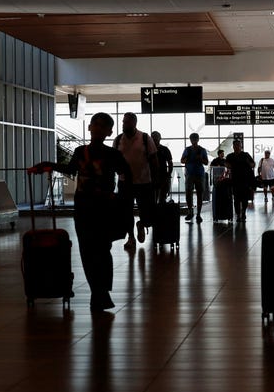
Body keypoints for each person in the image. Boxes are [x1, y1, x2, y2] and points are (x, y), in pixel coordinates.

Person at [31, 112, 133, 312]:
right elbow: (70, 169)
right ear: (90, 128)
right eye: (96, 124)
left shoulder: (112, 154)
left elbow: (126, 175)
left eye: (102, 126)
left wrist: (119, 198)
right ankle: (99, 291)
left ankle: (101, 291)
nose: (98, 128)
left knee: (101, 250)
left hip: (102, 209)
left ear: (109, 132)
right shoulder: (80, 152)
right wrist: (48, 165)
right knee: (87, 250)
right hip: (84, 208)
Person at [114, 112, 158, 249]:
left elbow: (154, 160)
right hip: (125, 183)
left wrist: (156, 181)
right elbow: (113, 159)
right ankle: (131, 237)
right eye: (123, 122)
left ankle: (142, 224)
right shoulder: (118, 139)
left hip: (144, 182)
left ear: (134, 123)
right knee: (126, 212)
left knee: (147, 214)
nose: (123, 124)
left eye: (126, 122)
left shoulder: (145, 138)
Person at [181, 132, 209, 223]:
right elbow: (182, 160)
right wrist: (188, 158)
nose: (193, 141)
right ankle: (190, 212)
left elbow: (206, 162)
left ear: (197, 140)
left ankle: (198, 214)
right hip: (190, 174)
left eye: (194, 139)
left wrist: (200, 158)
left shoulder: (202, 150)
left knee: (199, 194)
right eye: (192, 139)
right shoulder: (187, 150)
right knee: (189, 193)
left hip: (199, 174)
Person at [225, 139, 255, 222]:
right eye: (236, 145)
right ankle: (238, 214)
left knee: (245, 198)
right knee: (236, 199)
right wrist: (229, 165)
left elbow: (253, 164)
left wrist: (248, 163)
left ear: (241, 146)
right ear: (233, 146)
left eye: (239, 145)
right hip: (235, 180)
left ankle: (243, 212)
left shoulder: (246, 155)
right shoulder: (230, 156)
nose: (237, 147)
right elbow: (226, 163)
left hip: (245, 180)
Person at [151, 131, 173, 203]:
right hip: (153, 176)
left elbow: (170, 163)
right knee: (155, 198)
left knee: (161, 197)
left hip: (161, 176)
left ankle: (158, 213)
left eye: (156, 137)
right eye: (153, 137)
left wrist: (168, 174)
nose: (155, 138)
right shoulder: (164, 149)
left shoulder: (164, 149)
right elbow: (170, 163)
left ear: (160, 138)